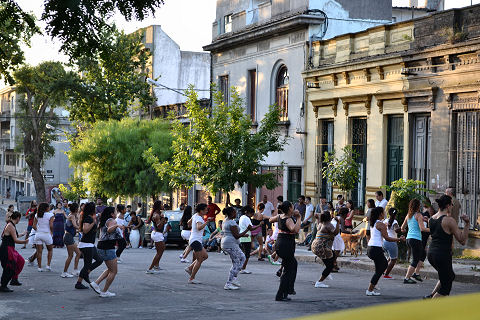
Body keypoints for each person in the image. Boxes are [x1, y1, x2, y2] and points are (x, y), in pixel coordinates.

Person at [425, 195, 470, 298]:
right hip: (442, 255)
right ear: (448, 206)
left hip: (431, 253)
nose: (452, 206)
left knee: (448, 275)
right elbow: (462, 240)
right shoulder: (449, 220)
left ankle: (431, 295)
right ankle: (431, 308)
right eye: (452, 204)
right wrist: (467, 223)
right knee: (446, 287)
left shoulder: (431, 219)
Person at [366, 207, 404, 296]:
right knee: (383, 266)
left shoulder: (374, 222)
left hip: (370, 247)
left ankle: (373, 285)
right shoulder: (381, 224)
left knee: (378, 268)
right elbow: (387, 238)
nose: (385, 213)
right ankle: (370, 289)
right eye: (383, 212)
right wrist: (399, 239)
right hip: (376, 248)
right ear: (380, 214)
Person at [269, 201, 301, 301]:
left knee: (292, 265)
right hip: (286, 244)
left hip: (280, 243)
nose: (294, 207)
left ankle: (288, 290)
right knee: (288, 270)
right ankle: (281, 294)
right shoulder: (288, 219)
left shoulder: (280, 216)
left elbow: (270, 219)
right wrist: (299, 218)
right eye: (292, 206)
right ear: (290, 209)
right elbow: (294, 230)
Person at [90, 206, 122, 297]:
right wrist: (116, 225)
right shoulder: (112, 221)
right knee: (113, 271)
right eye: (115, 211)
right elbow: (109, 230)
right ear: (112, 214)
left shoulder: (104, 220)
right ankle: (104, 291)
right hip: (108, 248)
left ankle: (96, 283)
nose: (116, 213)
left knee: (110, 269)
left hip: (101, 247)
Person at [221, 207, 251, 290]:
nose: (236, 214)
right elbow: (236, 235)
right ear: (230, 213)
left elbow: (230, 233)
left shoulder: (226, 220)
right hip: (230, 244)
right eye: (234, 212)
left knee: (241, 259)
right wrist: (247, 230)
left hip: (228, 242)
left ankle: (233, 278)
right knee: (237, 262)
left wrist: (243, 235)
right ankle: (229, 282)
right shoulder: (231, 222)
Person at [75, 202, 104, 290]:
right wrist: (93, 223)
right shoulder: (88, 218)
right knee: (87, 264)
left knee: (99, 260)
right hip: (86, 245)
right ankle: (79, 282)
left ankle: (86, 274)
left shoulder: (89, 217)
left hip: (89, 244)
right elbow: (85, 230)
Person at [401, 198, 430, 284]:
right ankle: (406, 278)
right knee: (415, 259)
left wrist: (405, 230)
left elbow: (402, 228)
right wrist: (433, 229)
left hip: (409, 239)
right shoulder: (418, 215)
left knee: (423, 254)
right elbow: (422, 229)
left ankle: (416, 273)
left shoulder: (408, 215)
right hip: (416, 239)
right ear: (418, 206)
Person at [0, 211, 28, 292]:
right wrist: (24, 242)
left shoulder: (11, 224)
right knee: (9, 267)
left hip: (10, 248)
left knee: (20, 261)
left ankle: (14, 279)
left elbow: (14, 235)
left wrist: (22, 234)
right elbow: (15, 240)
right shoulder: (10, 225)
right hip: (7, 249)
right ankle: (3, 286)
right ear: (18, 218)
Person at [311, 211, 340, 288]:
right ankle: (319, 282)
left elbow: (316, 216)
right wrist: (338, 223)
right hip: (322, 247)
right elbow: (336, 233)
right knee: (330, 266)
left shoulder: (320, 223)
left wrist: (317, 217)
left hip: (315, 246)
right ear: (329, 217)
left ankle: (326, 274)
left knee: (333, 255)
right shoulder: (328, 225)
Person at [185, 203, 212, 284]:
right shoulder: (199, 218)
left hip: (195, 239)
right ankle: (192, 278)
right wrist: (207, 222)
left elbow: (188, 223)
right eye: (205, 209)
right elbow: (199, 227)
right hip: (195, 240)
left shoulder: (195, 215)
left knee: (205, 256)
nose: (207, 210)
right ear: (201, 210)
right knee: (200, 260)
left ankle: (190, 268)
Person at [146, 200, 167, 274]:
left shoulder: (158, 214)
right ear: (158, 206)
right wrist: (163, 219)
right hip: (157, 234)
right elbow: (158, 226)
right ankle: (150, 268)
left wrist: (163, 220)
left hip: (158, 233)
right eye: (161, 204)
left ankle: (156, 265)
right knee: (159, 252)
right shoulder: (157, 215)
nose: (163, 205)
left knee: (161, 249)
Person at [61, 202, 81, 278]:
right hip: (68, 237)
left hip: (69, 236)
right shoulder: (72, 216)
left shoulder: (72, 215)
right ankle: (64, 272)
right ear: (76, 209)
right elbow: (76, 225)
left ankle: (75, 270)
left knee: (78, 253)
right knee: (71, 255)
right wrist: (82, 228)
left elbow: (74, 226)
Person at [33, 203, 54, 272]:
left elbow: (34, 226)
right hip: (46, 234)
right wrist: (52, 232)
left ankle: (39, 267)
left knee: (39, 252)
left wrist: (38, 230)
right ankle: (48, 265)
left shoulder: (37, 215)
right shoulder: (50, 215)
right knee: (50, 250)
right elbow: (51, 226)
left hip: (38, 234)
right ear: (46, 208)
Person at [383, 208, 400, 279]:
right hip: (392, 242)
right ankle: (386, 274)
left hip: (384, 242)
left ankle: (383, 270)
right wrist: (401, 229)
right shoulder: (395, 221)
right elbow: (396, 230)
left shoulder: (385, 221)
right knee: (393, 260)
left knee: (390, 258)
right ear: (395, 215)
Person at [239, 205, 254, 274]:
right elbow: (251, 228)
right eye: (251, 214)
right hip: (246, 238)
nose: (251, 216)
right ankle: (243, 268)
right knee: (247, 254)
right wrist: (259, 225)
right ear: (246, 212)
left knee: (243, 253)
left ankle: (241, 267)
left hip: (242, 237)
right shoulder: (246, 218)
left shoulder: (241, 217)